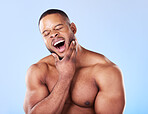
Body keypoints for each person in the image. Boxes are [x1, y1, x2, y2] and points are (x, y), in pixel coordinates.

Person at [23, 9, 125, 114]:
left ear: (73, 28)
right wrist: (65, 77)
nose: (53, 35)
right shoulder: (39, 71)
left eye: (58, 28)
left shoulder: (106, 71)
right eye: (46, 33)